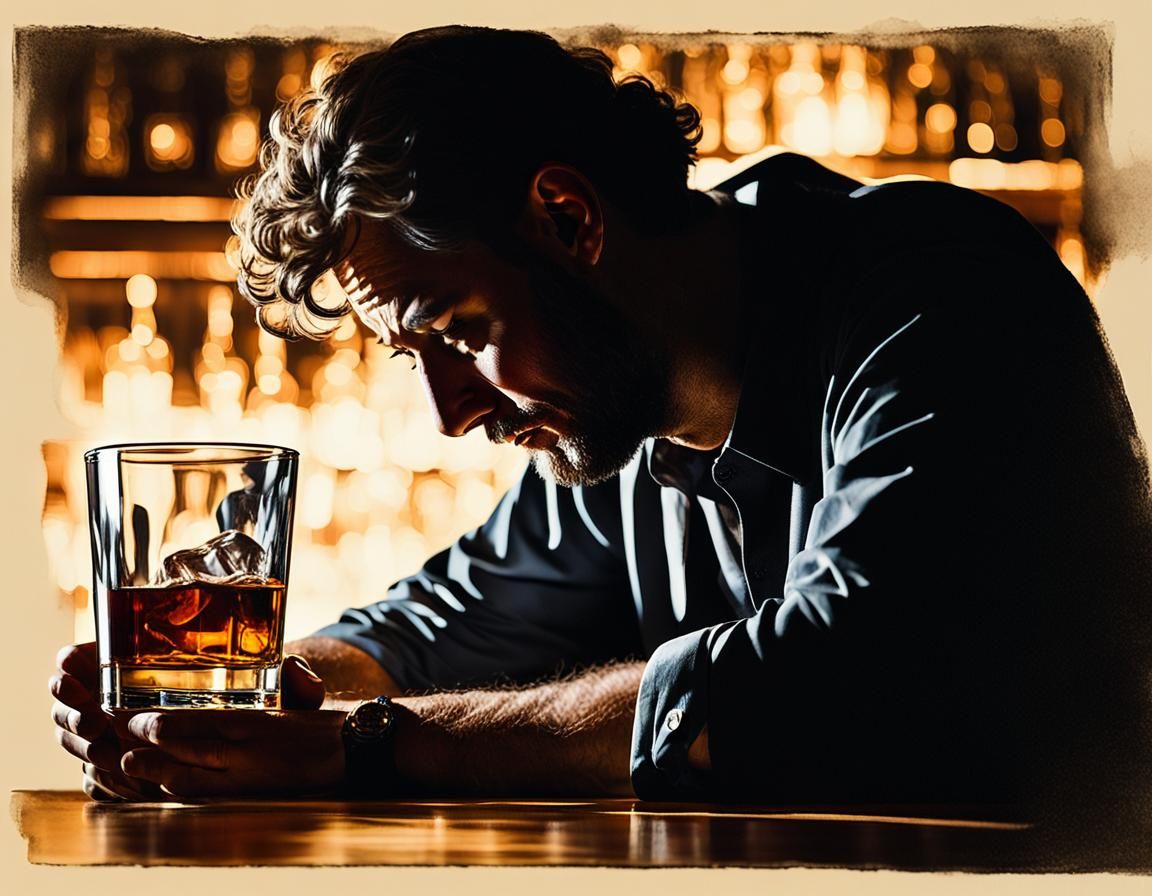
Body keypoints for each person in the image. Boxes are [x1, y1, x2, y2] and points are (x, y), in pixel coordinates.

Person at [50, 26, 1152, 830]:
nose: (452, 410)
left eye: (459, 330)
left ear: (569, 218)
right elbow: (440, 626)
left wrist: (364, 748)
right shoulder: (617, 426)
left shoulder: (937, 290)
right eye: (414, 356)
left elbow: (837, 670)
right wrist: (249, 699)